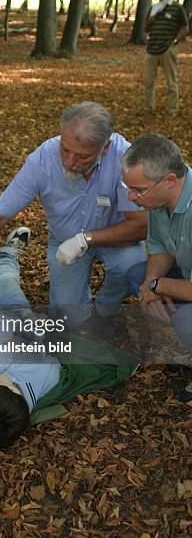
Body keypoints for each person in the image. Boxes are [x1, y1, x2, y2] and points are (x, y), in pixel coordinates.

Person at [0, 203, 138, 449]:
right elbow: (85, 359)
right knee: (8, 285)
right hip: (12, 316)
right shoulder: (49, 379)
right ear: (15, 389)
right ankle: (6, 254)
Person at [0, 102, 148, 330]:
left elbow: (140, 226)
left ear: (105, 147)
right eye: (65, 150)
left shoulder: (124, 157)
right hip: (64, 239)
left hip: (117, 238)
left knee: (130, 265)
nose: (69, 162)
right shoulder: (43, 159)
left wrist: (85, 239)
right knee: (67, 320)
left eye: (82, 156)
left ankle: (104, 311)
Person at [122, 134, 192, 402]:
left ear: (170, 180)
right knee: (137, 275)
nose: (131, 197)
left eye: (138, 190)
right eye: (128, 188)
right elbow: (159, 246)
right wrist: (150, 283)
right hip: (185, 275)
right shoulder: (158, 199)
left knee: (187, 320)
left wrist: (157, 286)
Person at [144, 0, 189, 117]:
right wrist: (150, 20)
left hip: (167, 48)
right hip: (152, 48)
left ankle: (171, 111)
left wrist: (175, 41)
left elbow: (185, 27)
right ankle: (148, 109)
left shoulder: (176, 7)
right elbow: (146, 28)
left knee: (171, 81)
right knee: (148, 81)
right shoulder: (154, 7)